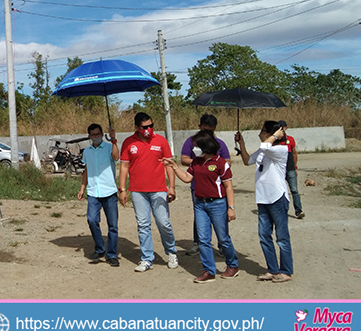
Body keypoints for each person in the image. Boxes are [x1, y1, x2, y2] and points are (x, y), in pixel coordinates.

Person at [164, 131, 240, 283]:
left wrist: (230, 207)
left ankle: (233, 265)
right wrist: (175, 167)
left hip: (217, 204)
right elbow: (187, 178)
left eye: (197, 146)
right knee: (203, 240)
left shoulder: (220, 163)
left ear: (206, 146)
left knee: (223, 238)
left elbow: (228, 187)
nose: (194, 149)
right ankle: (209, 271)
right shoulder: (196, 162)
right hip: (200, 205)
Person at [118, 112, 179, 272]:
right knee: (143, 225)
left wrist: (171, 187)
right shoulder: (129, 143)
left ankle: (171, 251)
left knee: (163, 222)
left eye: (151, 126)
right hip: (138, 191)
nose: (149, 129)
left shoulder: (161, 141)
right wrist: (122, 189)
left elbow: (169, 165)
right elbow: (124, 166)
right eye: (145, 127)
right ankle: (146, 258)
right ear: (137, 127)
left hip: (159, 189)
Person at [234, 121, 293, 283]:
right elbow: (248, 161)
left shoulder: (280, 149)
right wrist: (241, 144)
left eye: (262, 130)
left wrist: (276, 136)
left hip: (277, 197)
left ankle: (286, 271)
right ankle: (273, 270)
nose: (259, 132)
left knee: (282, 237)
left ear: (269, 134)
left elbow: (267, 147)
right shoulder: (263, 149)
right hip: (263, 197)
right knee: (264, 235)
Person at [180, 114, 230, 256]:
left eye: (210, 131)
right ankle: (198, 243)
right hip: (198, 186)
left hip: (216, 187)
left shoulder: (219, 143)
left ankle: (223, 244)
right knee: (199, 215)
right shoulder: (192, 142)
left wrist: (212, 163)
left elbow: (227, 161)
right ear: (199, 127)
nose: (207, 134)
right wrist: (200, 164)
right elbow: (184, 159)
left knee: (219, 217)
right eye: (205, 130)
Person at [77, 123, 120, 267]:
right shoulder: (87, 152)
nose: (96, 137)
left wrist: (114, 140)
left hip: (109, 191)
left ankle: (112, 254)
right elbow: (86, 170)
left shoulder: (109, 147)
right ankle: (100, 248)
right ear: (89, 136)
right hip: (94, 191)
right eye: (93, 135)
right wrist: (82, 188)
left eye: (98, 134)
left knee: (112, 225)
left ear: (102, 134)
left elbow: (116, 157)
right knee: (92, 220)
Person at [278, 121, 305, 219]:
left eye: (283, 127)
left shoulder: (290, 139)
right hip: (279, 170)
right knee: (280, 191)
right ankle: (281, 210)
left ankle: (298, 210)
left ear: (286, 128)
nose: (281, 129)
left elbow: (294, 153)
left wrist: (295, 167)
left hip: (290, 169)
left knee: (294, 190)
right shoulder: (275, 140)